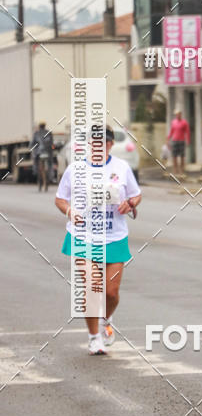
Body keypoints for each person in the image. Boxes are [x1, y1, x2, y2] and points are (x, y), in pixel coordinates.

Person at [55, 125, 141, 355]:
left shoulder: (121, 168)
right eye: (93, 143)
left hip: (114, 236)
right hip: (82, 236)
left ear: (110, 145)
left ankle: (107, 319)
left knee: (111, 293)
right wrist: (70, 211)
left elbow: (136, 194)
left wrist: (130, 203)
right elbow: (60, 199)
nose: (97, 147)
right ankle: (94, 337)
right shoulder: (75, 170)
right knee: (93, 287)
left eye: (102, 143)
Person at [30, 122, 54, 192]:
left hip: (39, 153)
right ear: (44, 126)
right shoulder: (49, 132)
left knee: (36, 166)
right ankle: (49, 175)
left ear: (39, 126)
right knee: (50, 165)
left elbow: (32, 144)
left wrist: (32, 148)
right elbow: (52, 144)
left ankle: (39, 177)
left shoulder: (36, 133)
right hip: (48, 153)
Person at [166, 109, 190, 177]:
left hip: (181, 141)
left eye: (178, 114)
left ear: (180, 114)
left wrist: (188, 140)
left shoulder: (184, 122)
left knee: (182, 156)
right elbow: (171, 131)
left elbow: (187, 132)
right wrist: (168, 139)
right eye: (176, 114)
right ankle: (175, 170)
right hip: (174, 140)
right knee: (174, 156)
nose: (177, 115)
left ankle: (182, 170)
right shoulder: (173, 122)